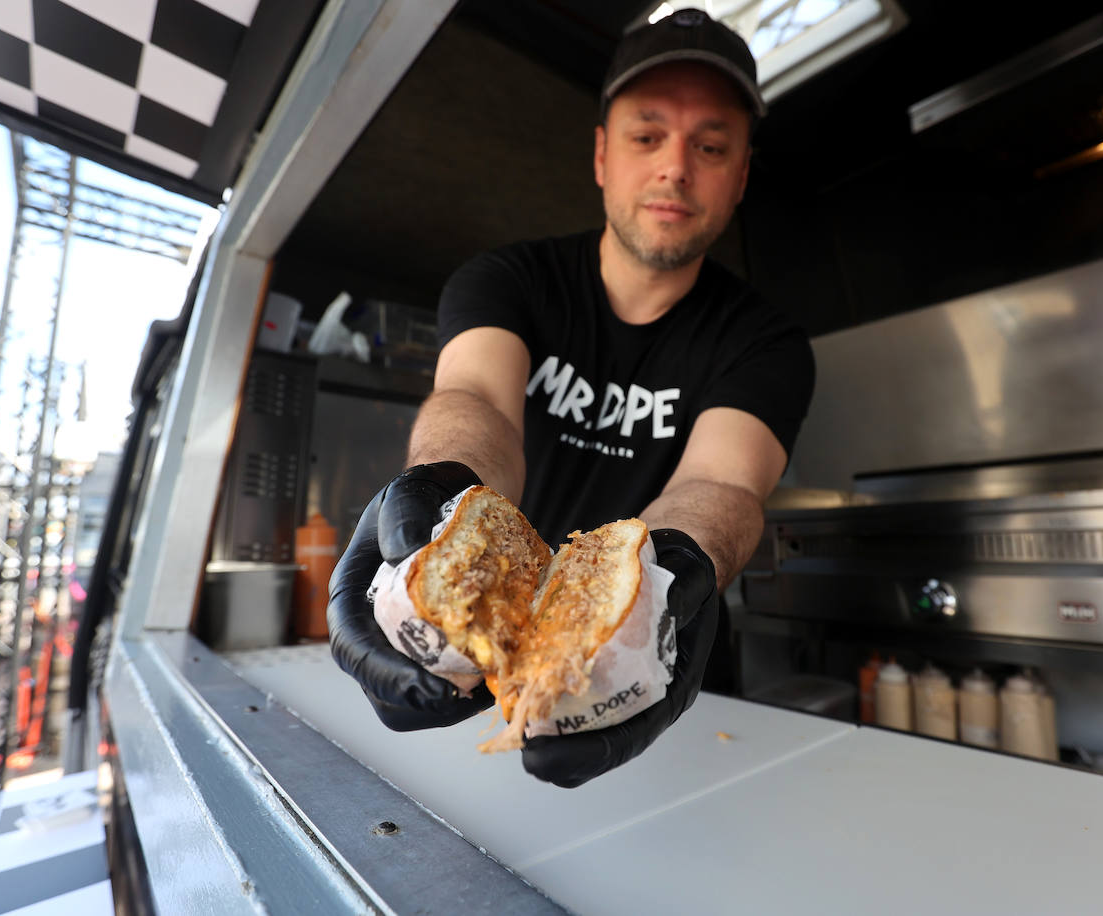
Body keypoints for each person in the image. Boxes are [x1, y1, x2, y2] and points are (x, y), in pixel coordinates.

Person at [327, 9, 815, 787]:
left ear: (742, 175)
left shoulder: (766, 343)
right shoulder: (507, 281)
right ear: (601, 154)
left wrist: (670, 570)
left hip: (655, 660)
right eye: (647, 136)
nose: (675, 168)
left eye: (711, 146)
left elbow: (720, 482)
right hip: (470, 659)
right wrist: (445, 486)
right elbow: (478, 397)